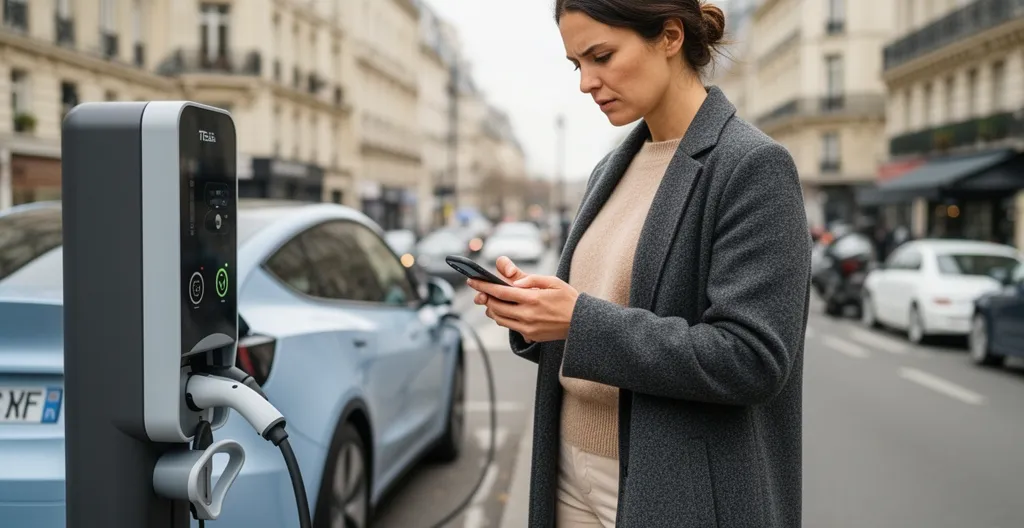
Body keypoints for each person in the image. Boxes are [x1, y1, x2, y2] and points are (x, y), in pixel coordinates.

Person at [466, 1, 811, 527]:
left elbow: (752, 359)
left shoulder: (752, 166)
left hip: (677, 487)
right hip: (567, 469)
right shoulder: (612, 167)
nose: (586, 82)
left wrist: (577, 319)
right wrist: (536, 313)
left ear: (670, 37)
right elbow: (601, 316)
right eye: (576, 64)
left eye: (601, 56)